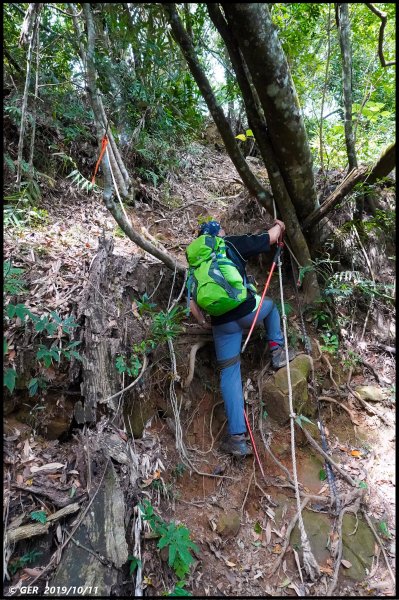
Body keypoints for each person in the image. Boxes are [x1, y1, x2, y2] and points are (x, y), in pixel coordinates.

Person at [189, 219, 295, 457]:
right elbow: (267, 239)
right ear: (219, 233)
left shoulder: (195, 265)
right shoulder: (230, 244)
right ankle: (277, 352)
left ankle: (237, 438)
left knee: (229, 372)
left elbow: (192, 306)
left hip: (221, 325)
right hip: (248, 312)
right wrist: (279, 225)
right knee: (271, 306)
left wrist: (205, 323)